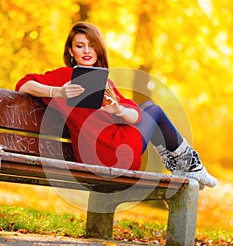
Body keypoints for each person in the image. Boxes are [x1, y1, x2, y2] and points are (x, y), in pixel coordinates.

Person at [15, 21, 217, 189]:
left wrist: (118, 110)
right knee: (153, 110)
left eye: (92, 45)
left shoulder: (106, 83)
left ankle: (185, 166)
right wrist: (56, 91)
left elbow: (136, 116)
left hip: (114, 147)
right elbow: (23, 84)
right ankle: (190, 166)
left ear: (99, 49)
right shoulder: (63, 77)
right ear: (70, 50)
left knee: (147, 108)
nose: (87, 51)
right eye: (80, 45)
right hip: (108, 155)